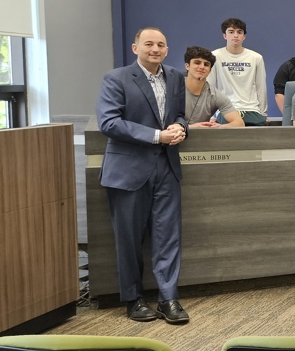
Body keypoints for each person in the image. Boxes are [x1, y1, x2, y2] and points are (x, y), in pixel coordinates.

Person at [95, 27, 190, 324]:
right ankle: (134, 298)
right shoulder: (116, 78)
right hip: (128, 170)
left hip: (167, 168)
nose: (155, 49)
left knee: (168, 236)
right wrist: (157, 136)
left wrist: (180, 127)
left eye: (161, 44)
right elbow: (109, 123)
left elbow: (179, 113)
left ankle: (168, 299)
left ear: (167, 49)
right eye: (149, 44)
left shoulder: (175, 77)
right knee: (129, 238)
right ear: (135, 48)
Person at [208, 18, 268, 125]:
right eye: (231, 32)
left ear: (244, 36)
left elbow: (261, 87)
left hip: (252, 109)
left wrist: (263, 114)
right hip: (226, 110)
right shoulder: (215, 56)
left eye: (239, 32)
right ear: (224, 35)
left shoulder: (256, 57)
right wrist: (211, 116)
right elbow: (210, 87)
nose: (235, 35)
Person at [183, 46, 243, 128]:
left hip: (200, 135)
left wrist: (219, 127)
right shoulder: (173, 88)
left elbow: (239, 123)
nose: (202, 67)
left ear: (210, 70)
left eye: (206, 64)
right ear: (187, 66)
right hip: (171, 134)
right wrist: (190, 127)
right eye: (197, 63)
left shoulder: (215, 95)